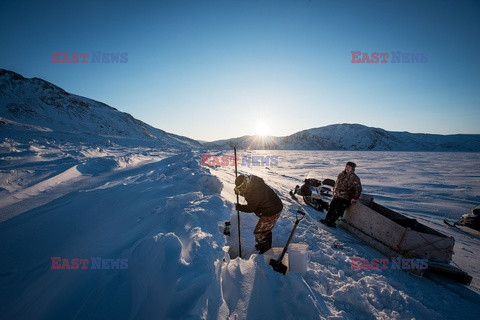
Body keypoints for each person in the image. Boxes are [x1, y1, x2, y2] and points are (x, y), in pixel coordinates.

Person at [234, 174, 283, 254]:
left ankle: (265, 252)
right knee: (265, 230)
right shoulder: (253, 184)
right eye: (239, 188)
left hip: (272, 211)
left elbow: (250, 208)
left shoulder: (255, 192)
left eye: (241, 188)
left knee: (259, 232)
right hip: (272, 207)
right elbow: (249, 194)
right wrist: (240, 192)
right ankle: (265, 246)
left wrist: (239, 207)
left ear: (245, 183)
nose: (241, 190)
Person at [321, 161, 362, 228]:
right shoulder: (341, 174)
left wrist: (355, 198)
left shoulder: (355, 178)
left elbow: (358, 189)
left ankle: (333, 223)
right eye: (346, 166)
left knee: (339, 212)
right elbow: (336, 184)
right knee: (331, 208)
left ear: (352, 169)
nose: (347, 168)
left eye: (349, 167)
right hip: (337, 195)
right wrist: (334, 191)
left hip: (346, 197)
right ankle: (326, 220)